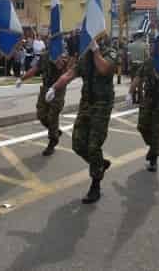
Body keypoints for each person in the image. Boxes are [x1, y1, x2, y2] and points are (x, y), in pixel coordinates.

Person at [47, 37, 117, 204]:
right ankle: (99, 163)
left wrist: (96, 51)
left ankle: (95, 184)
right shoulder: (85, 56)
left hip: (102, 104)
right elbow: (70, 74)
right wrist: (54, 88)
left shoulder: (110, 52)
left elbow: (103, 68)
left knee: (93, 145)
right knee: (77, 144)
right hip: (86, 104)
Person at [127, 40, 159, 172]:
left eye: (152, 46)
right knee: (142, 126)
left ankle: (153, 159)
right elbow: (138, 77)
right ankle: (153, 147)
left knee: (156, 129)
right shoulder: (148, 62)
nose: (150, 47)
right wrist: (130, 93)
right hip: (149, 97)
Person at [17, 51, 71, 156]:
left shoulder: (64, 54)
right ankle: (55, 131)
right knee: (41, 115)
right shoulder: (44, 55)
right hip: (45, 88)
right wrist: (22, 79)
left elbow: (66, 70)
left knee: (52, 116)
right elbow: (35, 69)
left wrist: (58, 59)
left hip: (57, 89)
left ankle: (52, 141)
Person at [127, 32, 148, 104]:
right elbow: (147, 56)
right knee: (140, 82)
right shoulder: (145, 45)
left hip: (133, 64)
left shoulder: (129, 45)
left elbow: (129, 57)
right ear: (141, 37)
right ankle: (140, 99)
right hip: (141, 65)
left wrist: (129, 66)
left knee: (133, 81)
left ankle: (133, 99)